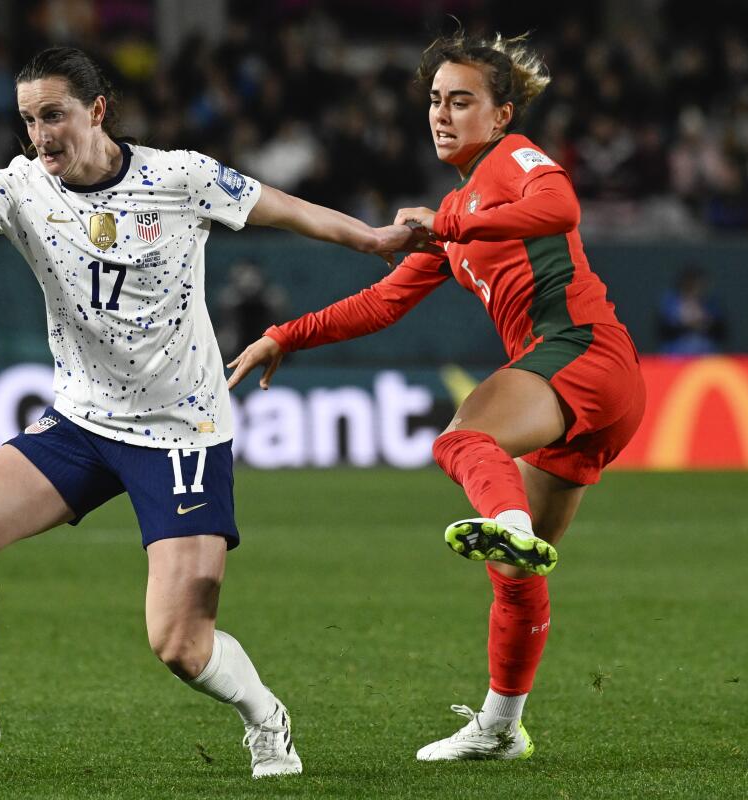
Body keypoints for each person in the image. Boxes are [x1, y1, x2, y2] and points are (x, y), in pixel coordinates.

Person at [0, 46, 424, 778]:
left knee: (180, 646)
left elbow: (282, 208)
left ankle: (265, 716)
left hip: (182, 432)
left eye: (53, 115)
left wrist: (373, 238)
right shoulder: (23, 187)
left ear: (96, 110)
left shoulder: (178, 177)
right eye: (28, 120)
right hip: (82, 422)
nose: (40, 135)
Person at [227, 31, 646, 762]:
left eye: (462, 101)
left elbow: (561, 209)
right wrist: (285, 335)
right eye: (434, 101)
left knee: (461, 440)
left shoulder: (511, 165)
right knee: (516, 573)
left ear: (502, 116)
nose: (442, 114)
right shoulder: (456, 214)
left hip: (582, 351)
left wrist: (450, 223)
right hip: (597, 388)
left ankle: (506, 516)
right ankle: (500, 728)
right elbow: (382, 304)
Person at [656, 265, 727, 355]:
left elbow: (721, 332)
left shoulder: (711, 303)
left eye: (699, 283)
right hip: (675, 356)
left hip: (706, 356)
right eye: (691, 283)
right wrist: (685, 324)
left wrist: (705, 322)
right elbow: (662, 332)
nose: (696, 287)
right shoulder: (670, 302)